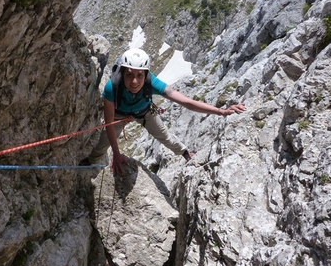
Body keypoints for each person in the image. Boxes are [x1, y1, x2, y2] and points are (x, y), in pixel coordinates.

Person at [80, 48, 245, 175]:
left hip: (144, 112)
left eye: (140, 75)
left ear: (146, 75)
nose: (135, 81)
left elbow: (186, 102)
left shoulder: (153, 84)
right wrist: (116, 153)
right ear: (122, 73)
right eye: (129, 75)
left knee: (164, 136)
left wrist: (221, 111)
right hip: (119, 115)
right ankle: (92, 162)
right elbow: (108, 123)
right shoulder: (111, 87)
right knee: (103, 143)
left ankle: (186, 154)